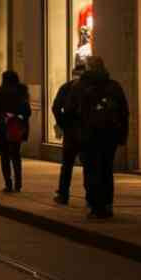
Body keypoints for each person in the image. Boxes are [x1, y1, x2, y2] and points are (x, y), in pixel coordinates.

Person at [70, 56, 129, 219]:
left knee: (91, 170)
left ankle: (94, 204)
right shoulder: (114, 86)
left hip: (88, 135)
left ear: (88, 68)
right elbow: (124, 112)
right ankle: (107, 204)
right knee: (106, 169)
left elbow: (69, 111)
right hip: (109, 135)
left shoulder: (80, 86)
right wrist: (122, 135)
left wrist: (74, 132)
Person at [0, 71, 31, 192]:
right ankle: (18, 183)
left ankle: (8, 183)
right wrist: (18, 118)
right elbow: (27, 112)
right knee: (16, 155)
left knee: (4, 157)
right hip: (16, 129)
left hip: (3, 129)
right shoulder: (21, 93)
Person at [52, 61, 87, 205]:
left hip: (71, 132)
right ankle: (90, 197)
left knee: (67, 165)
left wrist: (63, 124)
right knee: (88, 165)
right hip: (85, 132)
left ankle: (63, 194)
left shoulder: (66, 87)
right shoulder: (88, 88)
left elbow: (55, 107)